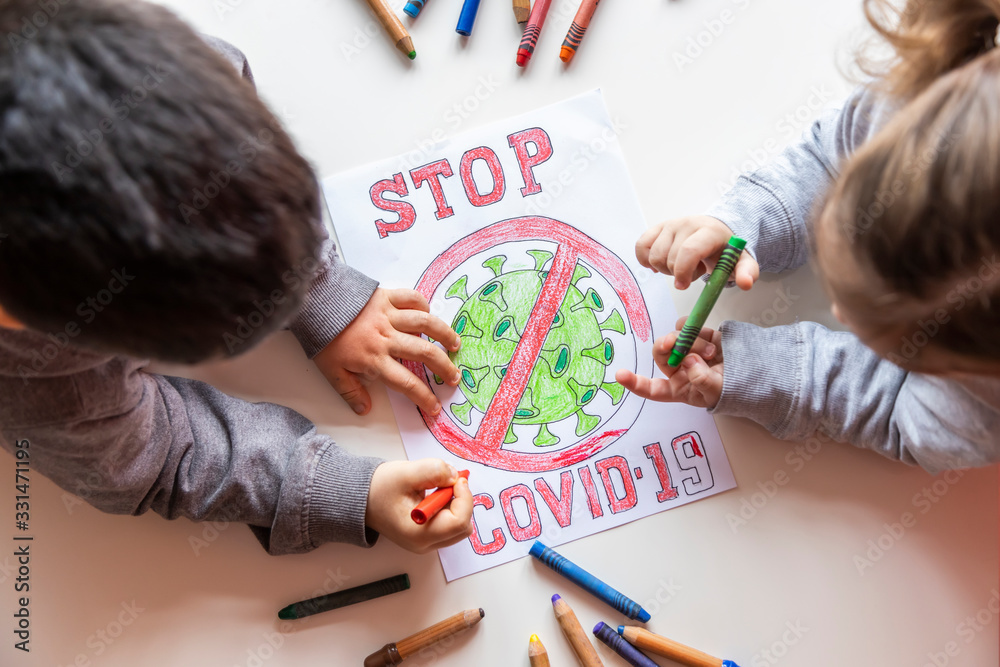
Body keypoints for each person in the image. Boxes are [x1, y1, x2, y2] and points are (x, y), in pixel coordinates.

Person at [0, 0, 472, 555]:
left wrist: (318, 289)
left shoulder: (148, 68)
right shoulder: (32, 381)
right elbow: (153, 457)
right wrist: (335, 491)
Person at [617, 0, 1000, 472]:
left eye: (904, 337)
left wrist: (778, 375)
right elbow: (828, 160)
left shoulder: (986, 410)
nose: (840, 313)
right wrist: (743, 224)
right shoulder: (917, 108)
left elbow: (906, 419)